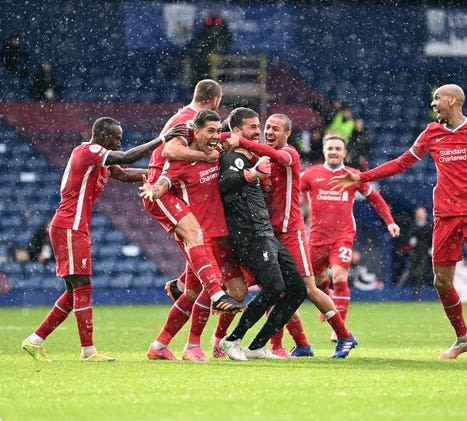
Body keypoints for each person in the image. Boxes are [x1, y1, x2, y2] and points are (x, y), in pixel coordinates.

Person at [330, 84, 467, 360]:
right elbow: (401, 162)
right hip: (444, 216)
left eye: (437, 98)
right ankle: (463, 337)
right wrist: (362, 176)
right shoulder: (432, 133)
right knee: (441, 282)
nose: (433, 103)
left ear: (453, 100)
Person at [21, 117, 188, 362]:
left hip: (75, 227)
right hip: (69, 225)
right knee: (82, 287)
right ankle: (88, 352)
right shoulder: (89, 150)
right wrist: (163, 140)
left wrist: (163, 175)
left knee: (73, 292)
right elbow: (127, 157)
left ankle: (35, 340)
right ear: (101, 135)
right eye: (116, 138)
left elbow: (125, 173)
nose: (119, 143)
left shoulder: (99, 158)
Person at [226, 113, 359, 358]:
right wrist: (224, 138)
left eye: (276, 129)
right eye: (267, 128)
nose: (269, 132)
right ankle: (298, 345)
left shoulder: (289, 153)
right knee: (277, 290)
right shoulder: (260, 158)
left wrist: (240, 141)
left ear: (287, 134)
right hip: (268, 235)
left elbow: (277, 156)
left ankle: (344, 336)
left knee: (308, 288)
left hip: (290, 233)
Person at [141, 80, 245, 361]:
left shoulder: (207, 141)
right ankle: (206, 318)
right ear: (213, 103)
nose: (215, 135)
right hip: (181, 208)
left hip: (211, 220)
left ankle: (160, 345)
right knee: (195, 248)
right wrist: (203, 156)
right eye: (211, 131)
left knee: (191, 289)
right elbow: (168, 158)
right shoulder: (187, 127)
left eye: (217, 131)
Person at [218, 119, 308, 361]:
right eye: (254, 126)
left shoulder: (250, 156)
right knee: (275, 288)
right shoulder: (232, 158)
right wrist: (250, 174)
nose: (260, 131)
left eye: (262, 126)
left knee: (297, 289)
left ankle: (257, 346)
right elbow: (223, 186)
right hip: (250, 234)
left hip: (265, 231)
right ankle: (231, 340)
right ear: (237, 132)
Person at [300, 134, 400, 336]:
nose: (334, 152)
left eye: (338, 149)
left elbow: (375, 198)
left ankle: (339, 332)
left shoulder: (353, 175)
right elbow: (292, 193)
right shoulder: (311, 174)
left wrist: (390, 222)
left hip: (342, 236)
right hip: (317, 238)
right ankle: (327, 297)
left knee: (339, 278)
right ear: (324, 151)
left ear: (344, 153)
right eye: (330, 149)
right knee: (316, 283)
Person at [187, 11, 232, 89]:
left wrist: (219, 49)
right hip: (207, 55)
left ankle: (217, 84)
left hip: (217, 55)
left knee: (221, 69)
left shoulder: (222, 27)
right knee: (204, 68)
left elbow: (227, 39)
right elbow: (201, 40)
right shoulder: (206, 27)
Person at [403, 206, 434, 297]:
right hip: (414, 252)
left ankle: (417, 292)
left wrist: (431, 247)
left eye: (421, 213)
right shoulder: (412, 224)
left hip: (425, 252)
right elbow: (408, 236)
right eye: (418, 213)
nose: (420, 215)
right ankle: (409, 290)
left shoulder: (430, 225)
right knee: (411, 271)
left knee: (420, 272)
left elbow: (432, 238)